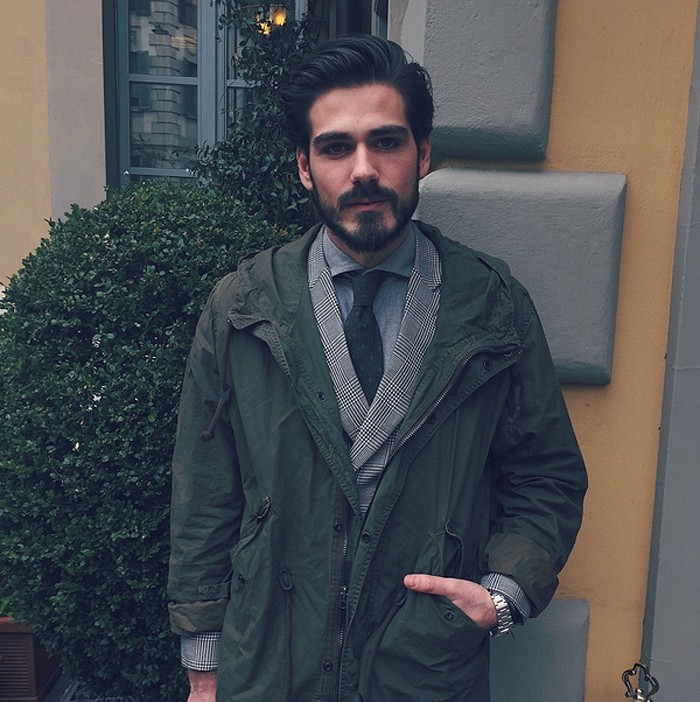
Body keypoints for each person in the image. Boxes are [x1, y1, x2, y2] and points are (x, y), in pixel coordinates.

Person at [167, 34, 587, 702]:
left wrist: (503, 595)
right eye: (336, 147)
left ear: (422, 154)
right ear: (305, 167)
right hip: (272, 659)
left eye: (386, 142)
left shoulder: (492, 306)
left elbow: (547, 475)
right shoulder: (243, 307)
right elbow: (205, 493)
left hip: (424, 665)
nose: (363, 169)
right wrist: (204, 666)